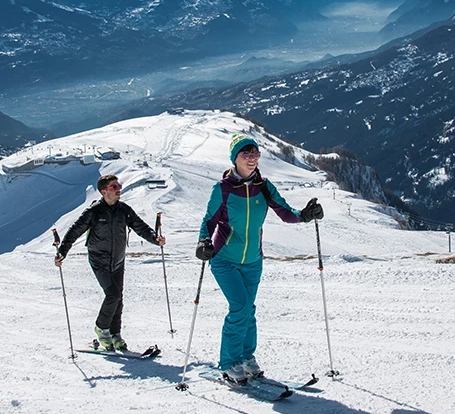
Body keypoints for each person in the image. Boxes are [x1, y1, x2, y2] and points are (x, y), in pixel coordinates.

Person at [196, 133, 324, 382]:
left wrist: (306, 215)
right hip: (225, 260)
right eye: (246, 154)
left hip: (254, 260)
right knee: (240, 307)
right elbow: (209, 221)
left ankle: (245, 357)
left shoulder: (263, 186)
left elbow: (286, 212)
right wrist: (203, 242)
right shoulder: (222, 189)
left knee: (249, 310)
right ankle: (229, 362)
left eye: (256, 153)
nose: (252, 158)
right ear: (235, 158)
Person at [55, 174, 166, 351]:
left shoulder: (124, 210)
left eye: (119, 185)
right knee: (112, 294)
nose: (119, 189)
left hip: (118, 260)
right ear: (104, 191)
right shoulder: (94, 212)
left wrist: (155, 238)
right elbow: (74, 231)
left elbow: (140, 227)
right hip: (99, 260)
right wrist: (62, 252)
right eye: (114, 187)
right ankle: (101, 328)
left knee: (118, 297)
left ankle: (115, 334)